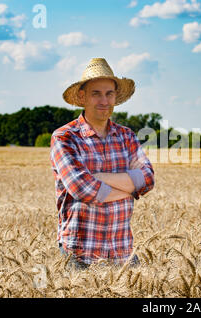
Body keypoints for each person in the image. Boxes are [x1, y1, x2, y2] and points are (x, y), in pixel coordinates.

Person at [50, 58, 155, 269]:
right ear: (83, 96)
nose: (104, 100)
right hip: (80, 254)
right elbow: (82, 188)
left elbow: (148, 179)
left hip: (123, 252)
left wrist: (99, 179)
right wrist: (129, 189)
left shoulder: (127, 136)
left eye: (109, 94)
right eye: (96, 93)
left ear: (116, 97)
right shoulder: (65, 137)